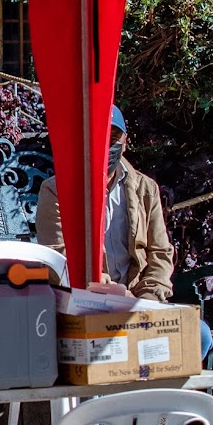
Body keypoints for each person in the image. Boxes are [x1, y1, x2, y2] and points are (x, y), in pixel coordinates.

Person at [34, 107, 174, 301]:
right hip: (83, 299)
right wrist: (112, 292)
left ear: (125, 142)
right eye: (100, 135)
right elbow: (58, 254)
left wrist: (149, 297)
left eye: (114, 137)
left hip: (139, 300)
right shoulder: (56, 191)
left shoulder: (145, 188)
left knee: (200, 331)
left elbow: (160, 251)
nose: (107, 144)